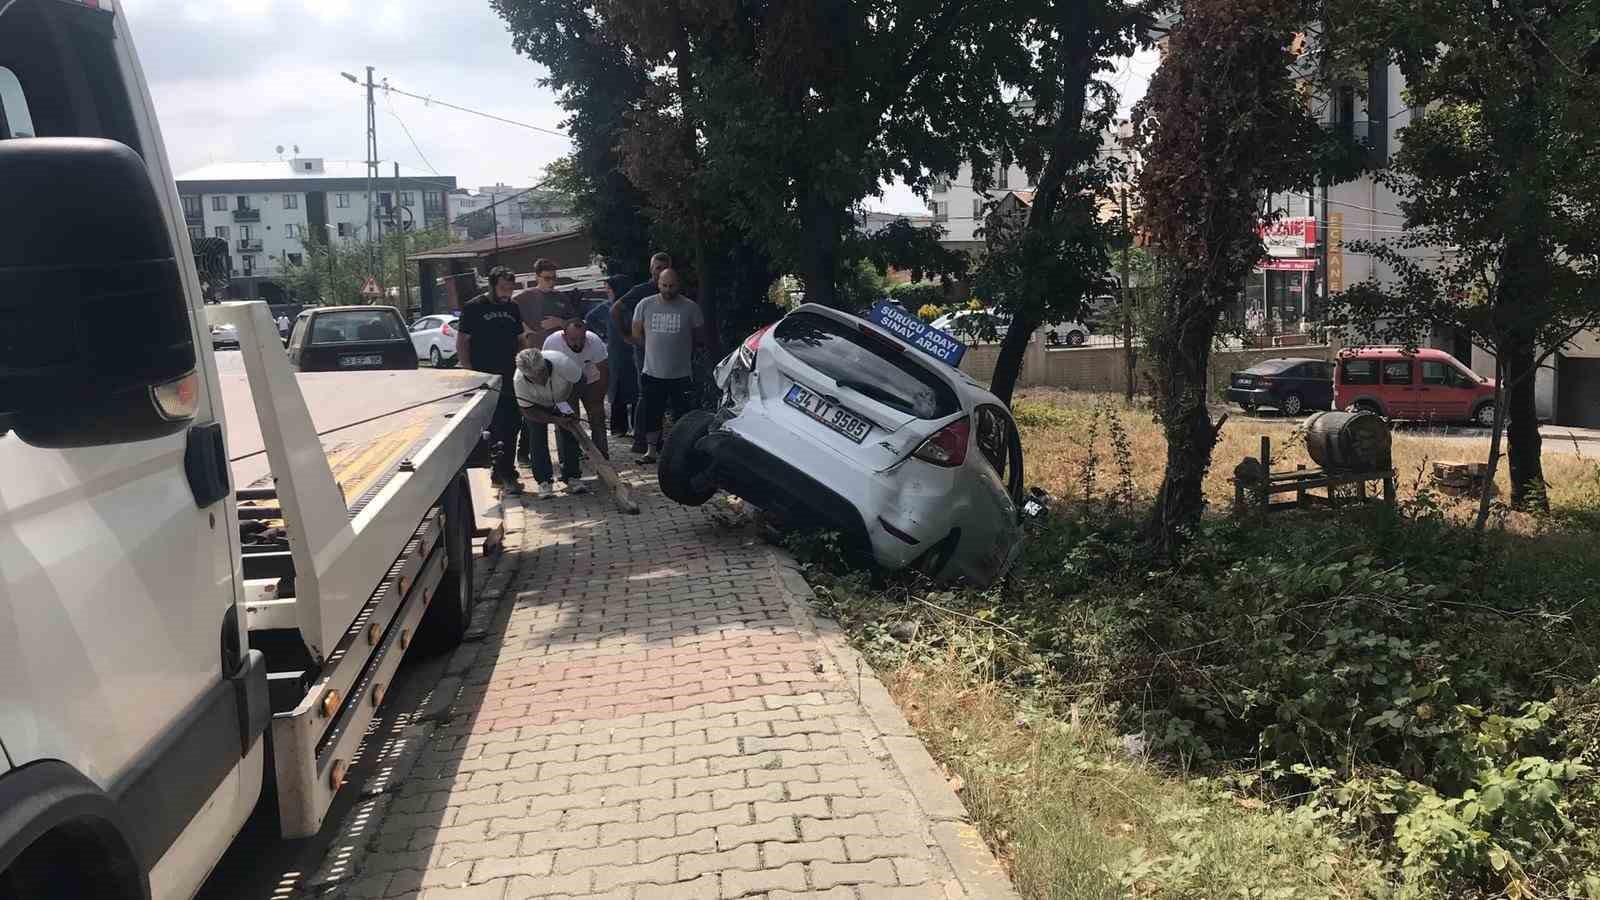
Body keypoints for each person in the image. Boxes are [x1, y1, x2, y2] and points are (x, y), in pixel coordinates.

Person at [456, 266, 526, 495]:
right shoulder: (473, 308)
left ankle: (503, 472)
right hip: (485, 377)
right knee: (495, 427)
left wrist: (524, 367)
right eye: (503, 288)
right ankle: (504, 474)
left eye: (510, 288)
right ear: (492, 286)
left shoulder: (513, 307)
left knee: (513, 423)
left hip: (511, 375)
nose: (507, 293)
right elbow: (463, 342)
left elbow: (520, 339)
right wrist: (469, 373)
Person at [631, 268, 706, 463]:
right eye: (664, 285)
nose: (668, 289)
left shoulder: (690, 308)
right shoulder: (645, 304)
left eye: (672, 286)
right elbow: (636, 331)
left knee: (682, 414)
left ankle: (681, 451)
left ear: (678, 285)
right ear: (658, 284)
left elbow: (699, 335)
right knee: (652, 413)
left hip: (680, 373)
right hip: (653, 371)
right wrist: (649, 348)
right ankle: (651, 451)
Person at [613, 252, 671, 453]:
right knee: (646, 395)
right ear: (651, 269)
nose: (660, 272)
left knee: (661, 395)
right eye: (657, 268)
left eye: (664, 268)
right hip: (644, 351)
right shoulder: (642, 291)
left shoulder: (672, 292)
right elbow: (616, 309)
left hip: (666, 352)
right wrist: (628, 337)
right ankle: (640, 440)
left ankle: (654, 440)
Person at [513, 348, 588, 499]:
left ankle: (572, 476)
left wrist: (570, 405)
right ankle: (544, 481)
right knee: (537, 438)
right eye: (533, 377)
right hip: (535, 405)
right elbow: (528, 411)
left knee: (569, 432)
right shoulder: (519, 380)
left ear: (545, 365)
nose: (540, 379)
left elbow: (581, 380)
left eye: (541, 373)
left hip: (563, 398)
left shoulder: (562, 362)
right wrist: (556, 419)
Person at [542, 321, 609, 458]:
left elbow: (604, 371)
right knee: (568, 419)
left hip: (591, 380)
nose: (578, 343)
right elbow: (546, 370)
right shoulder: (552, 342)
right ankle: (570, 455)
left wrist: (600, 397)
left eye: (582, 339)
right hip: (565, 383)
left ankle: (601, 453)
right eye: (573, 340)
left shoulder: (594, 341)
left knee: (597, 415)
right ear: (564, 336)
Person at [599, 274, 637, 438]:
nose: (608, 293)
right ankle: (618, 428)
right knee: (618, 389)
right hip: (617, 353)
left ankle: (636, 426)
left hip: (634, 352)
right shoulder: (607, 307)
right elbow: (591, 318)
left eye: (609, 290)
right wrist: (604, 335)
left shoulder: (633, 306)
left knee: (636, 390)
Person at [514, 258, 577, 347]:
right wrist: (526, 331)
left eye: (554, 278)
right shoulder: (524, 296)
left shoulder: (562, 298)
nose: (551, 282)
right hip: (535, 349)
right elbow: (510, 313)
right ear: (537, 277)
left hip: (559, 347)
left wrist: (560, 322)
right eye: (547, 278)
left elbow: (576, 324)